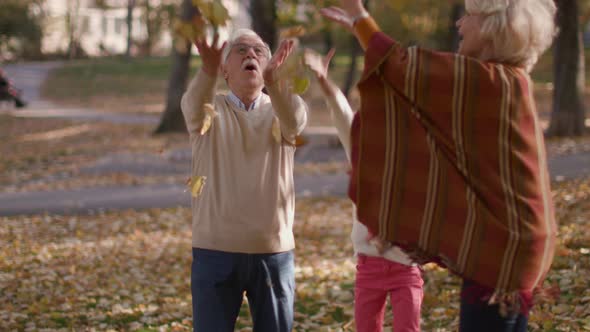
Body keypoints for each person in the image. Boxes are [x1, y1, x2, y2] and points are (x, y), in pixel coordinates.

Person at [321, 0, 557, 331]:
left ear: (493, 30)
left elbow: (403, 67)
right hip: (522, 246)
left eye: (471, 17)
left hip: (500, 253)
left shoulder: (486, 82)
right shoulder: (512, 82)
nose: (460, 24)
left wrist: (360, 18)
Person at [181, 29, 308, 332]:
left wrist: (276, 84)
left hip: (273, 254)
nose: (251, 54)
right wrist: (207, 71)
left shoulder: (284, 109)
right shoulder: (209, 112)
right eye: (240, 50)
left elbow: (295, 122)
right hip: (215, 252)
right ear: (225, 69)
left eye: (259, 50)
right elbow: (193, 105)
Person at [304, 48, 423, 332]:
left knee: (407, 327)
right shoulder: (360, 147)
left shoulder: (417, 159)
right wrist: (324, 81)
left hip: (404, 264)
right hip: (368, 265)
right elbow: (342, 114)